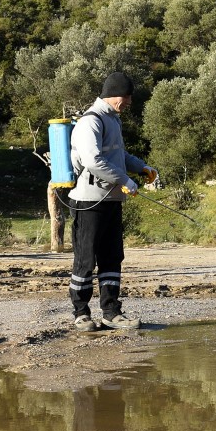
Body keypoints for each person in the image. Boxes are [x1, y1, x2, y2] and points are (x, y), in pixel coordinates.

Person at [68, 72, 156, 331]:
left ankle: (111, 312)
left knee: (112, 257)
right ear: (115, 95)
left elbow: (118, 154)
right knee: (85, 260)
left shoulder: (113, 120)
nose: (129, 102)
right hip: (89, 202)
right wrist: (125, 181)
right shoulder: (90, 122)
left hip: (111, 201)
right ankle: (81, 314)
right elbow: (93, 161)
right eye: (127, 97)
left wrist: (141, 168)